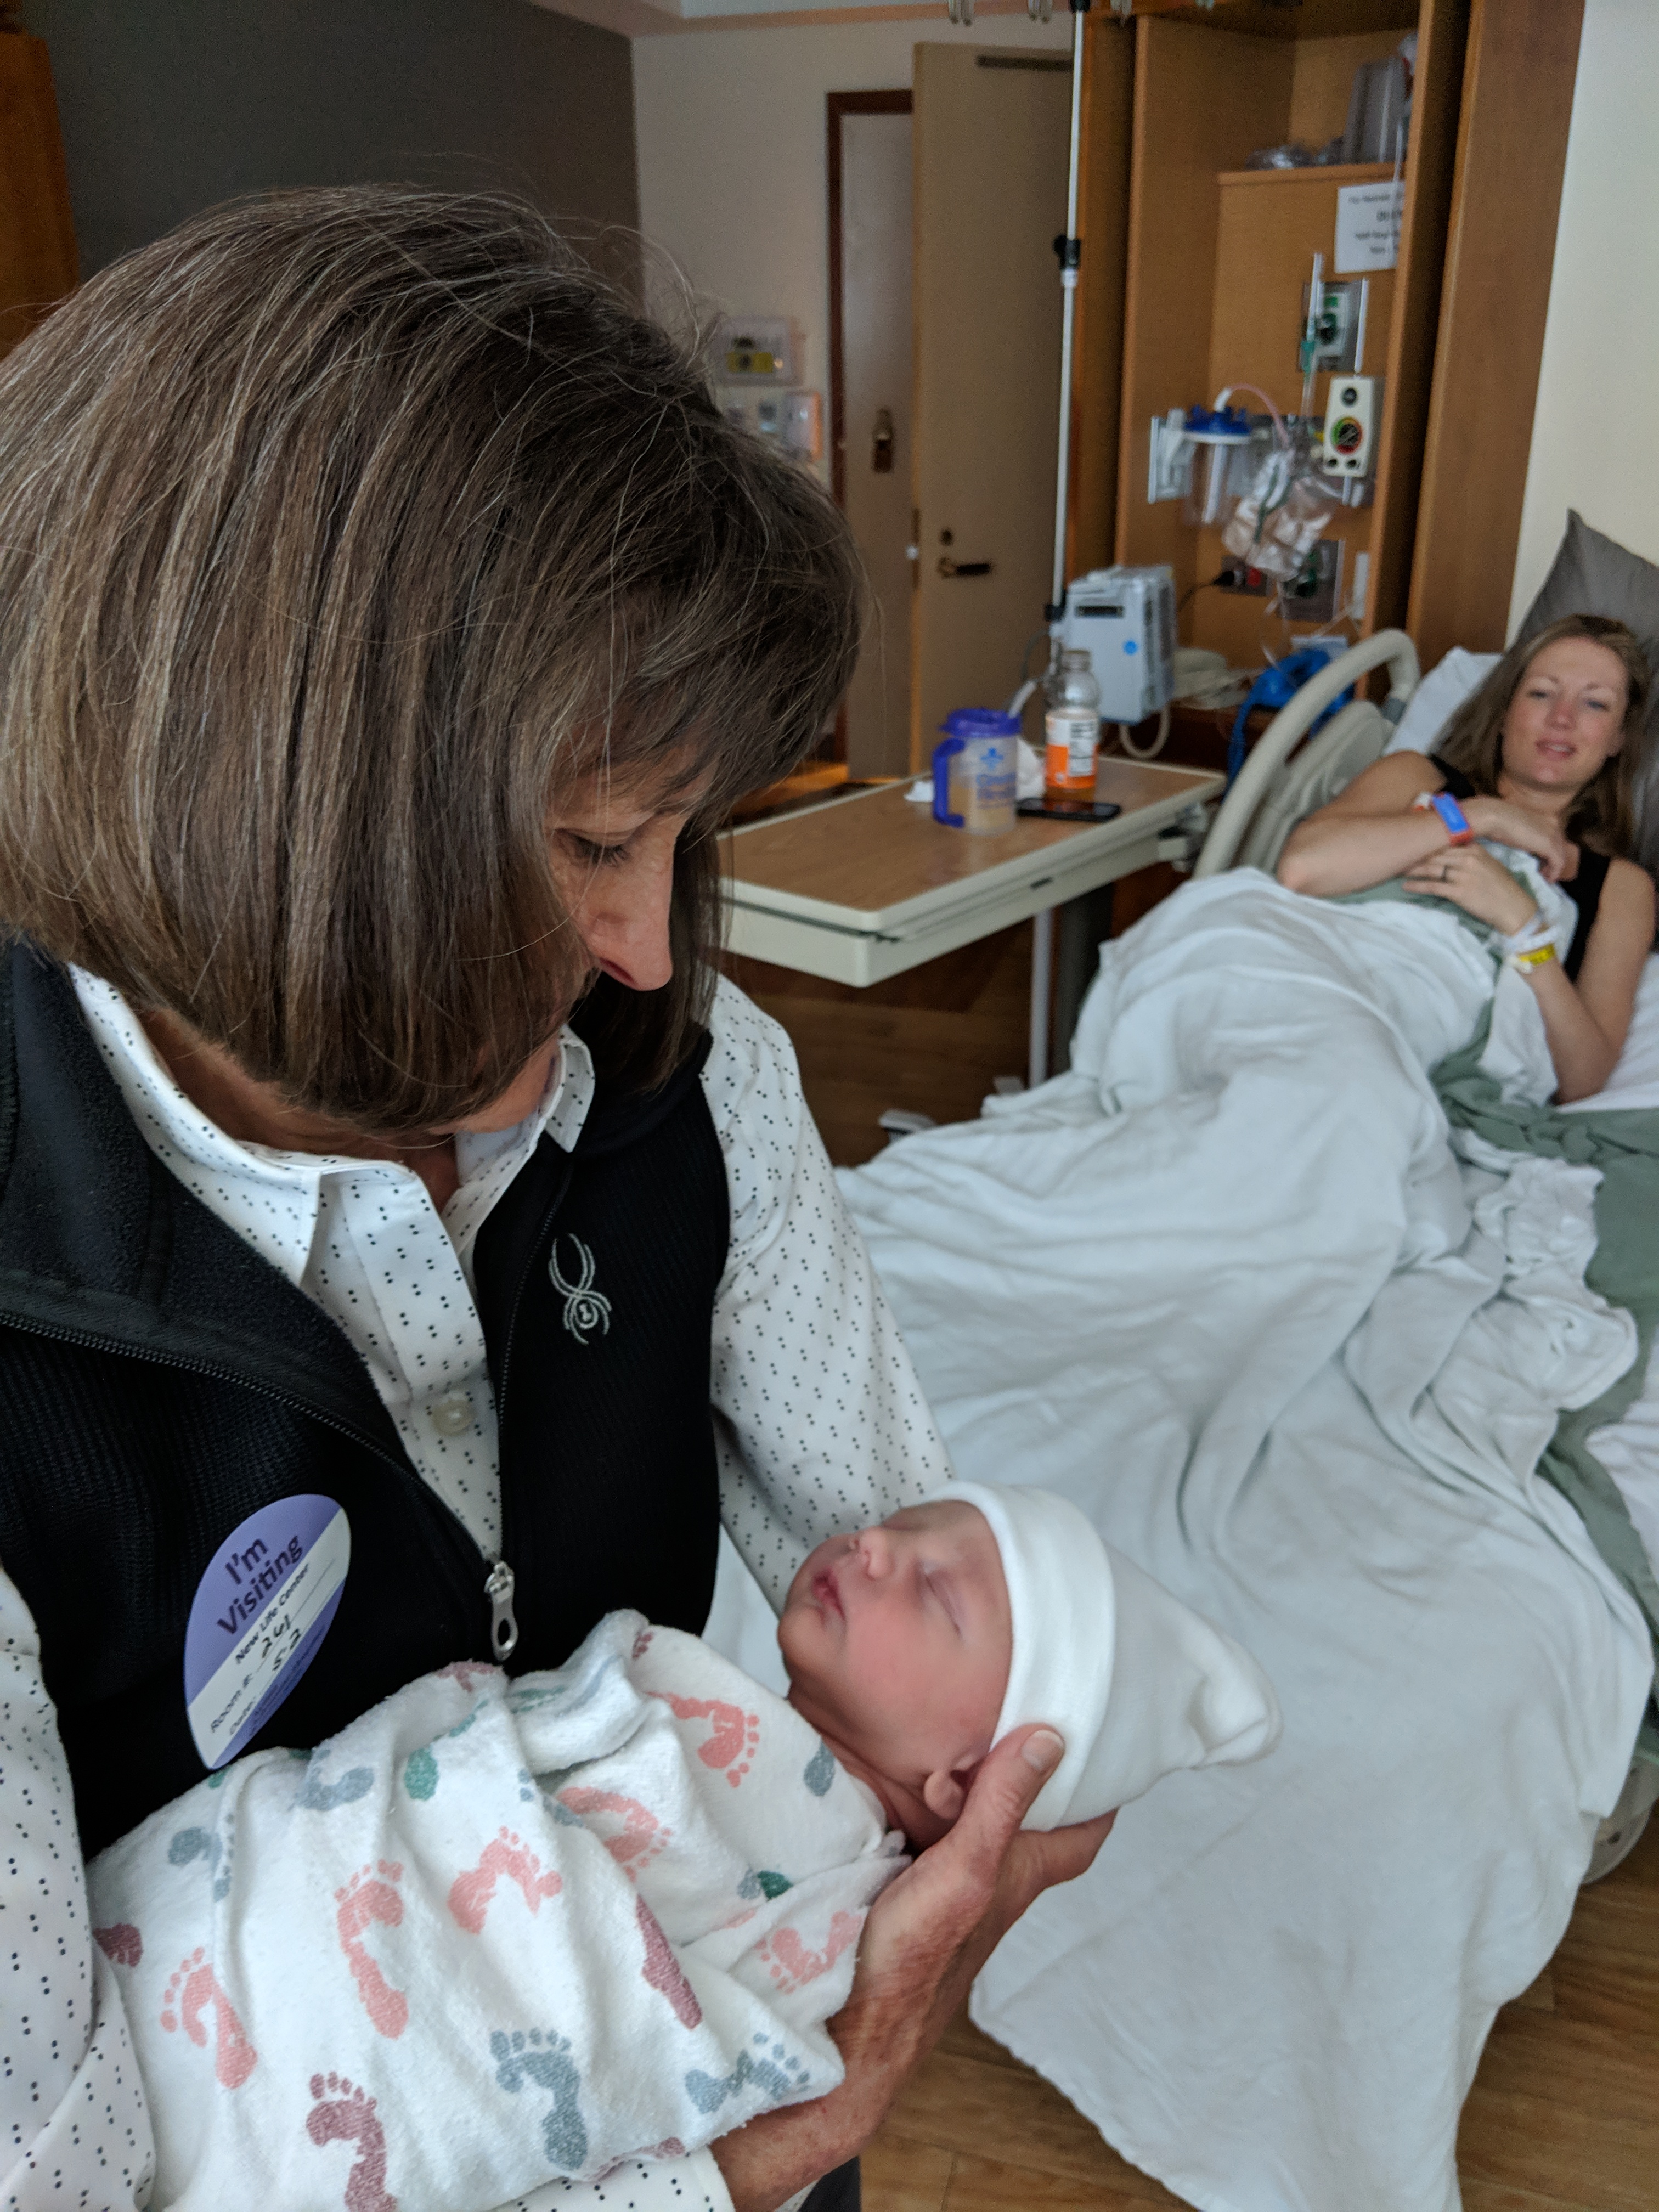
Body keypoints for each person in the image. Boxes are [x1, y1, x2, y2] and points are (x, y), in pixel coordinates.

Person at [0, 189, 1113, 2212]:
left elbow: (887, 1559)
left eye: (681, 834)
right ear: (272, 818)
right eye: (592, 838)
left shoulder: (686, 1069)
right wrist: (780, 2140)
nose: (640, 943)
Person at [87, 1491, 1276, 2211]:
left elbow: (702, 2063)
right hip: (285, 1898)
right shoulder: (698, 1708)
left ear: (967, 1783)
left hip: (385, 2048)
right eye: (902, 1527)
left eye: (937, 1594)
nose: (869, 1547)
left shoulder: (833, 1920)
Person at [1276, 616, 1656, 1102]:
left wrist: (1524, 928)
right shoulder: (1415, 778)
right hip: (1314, 979)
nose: (1562, 718)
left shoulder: (1620, 888)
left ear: (1619, 740)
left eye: (1595, 703)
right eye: (1542, 693)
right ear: (1504, 714)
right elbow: (1301, 867)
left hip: (1402, 1047)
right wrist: (1479, 819)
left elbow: (1582, 1079)